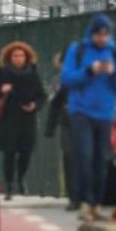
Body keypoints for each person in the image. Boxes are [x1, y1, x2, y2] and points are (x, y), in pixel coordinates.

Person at [61, 13, 116, 222]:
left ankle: (97, 204)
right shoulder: (78, 50)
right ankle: (85, 201)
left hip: (105, 112)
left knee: (102, 159)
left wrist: (112, 73)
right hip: (81, 110)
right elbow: (67, 79)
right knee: (84, 156)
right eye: (98, 34)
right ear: (91, 33)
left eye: (105, 34)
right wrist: (89, 70)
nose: (101, 38)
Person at [0, 41, 46, 201]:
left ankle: (21, 179)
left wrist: (34, 105)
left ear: (27, 57)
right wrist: (0, 90)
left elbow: (42, 95)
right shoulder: (2, 72)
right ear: (9, 57)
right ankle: (9, 185)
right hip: (7, 118)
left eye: (22, 55)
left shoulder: (32, 73)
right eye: (15, 55)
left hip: (27, 118)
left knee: (26, 151)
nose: (19, 58)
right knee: (9, 152)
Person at [45, 51, 79, 212]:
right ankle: (74, 197)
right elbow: (55, 102)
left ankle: (88, 196)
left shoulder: (91, 75)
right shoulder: (62, 80)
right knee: (70, 157)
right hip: (67, 122)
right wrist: (50, 126)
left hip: (90, 122)